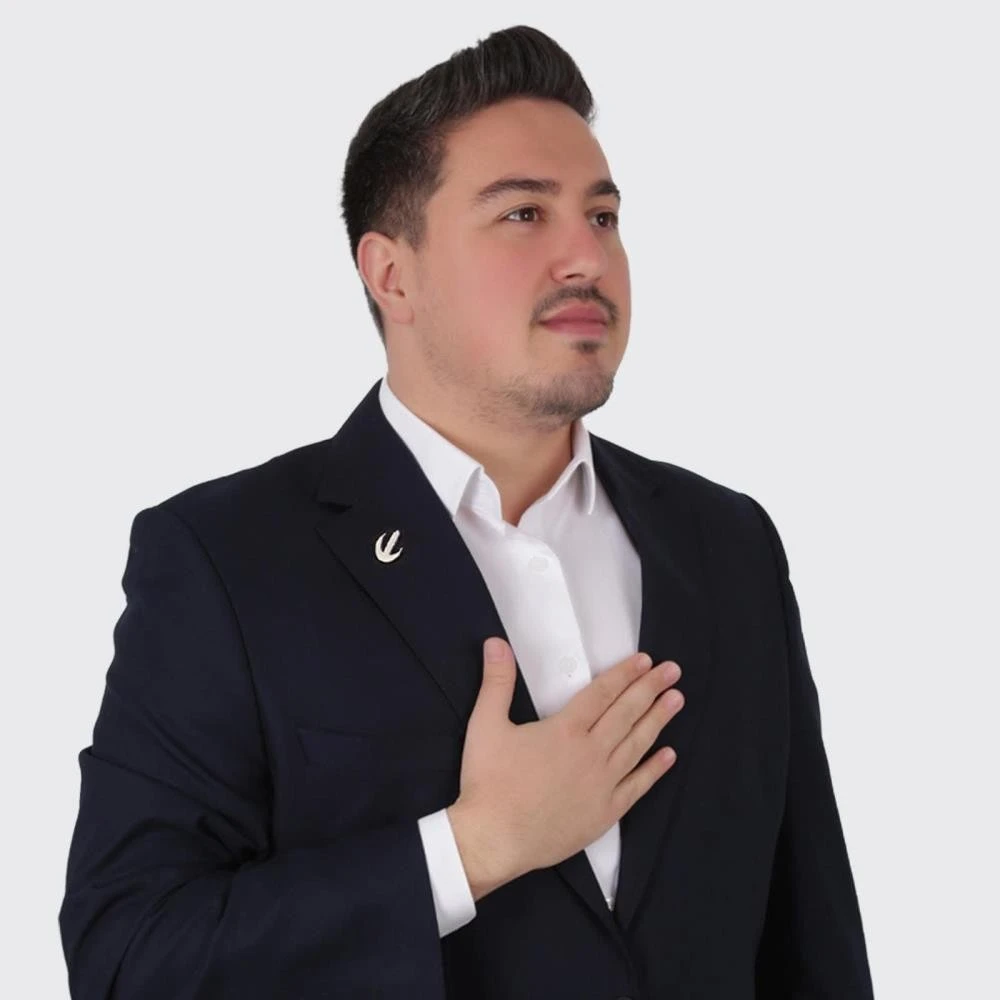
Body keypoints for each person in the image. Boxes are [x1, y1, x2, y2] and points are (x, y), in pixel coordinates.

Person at [58, 24, 875, 999]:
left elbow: (811, 945)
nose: (586, 255)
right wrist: (470, 848)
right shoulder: (228, 559)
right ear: (391, 274)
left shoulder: (728, 543)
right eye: (524, 213)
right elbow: (129, 958)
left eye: (603, 215)